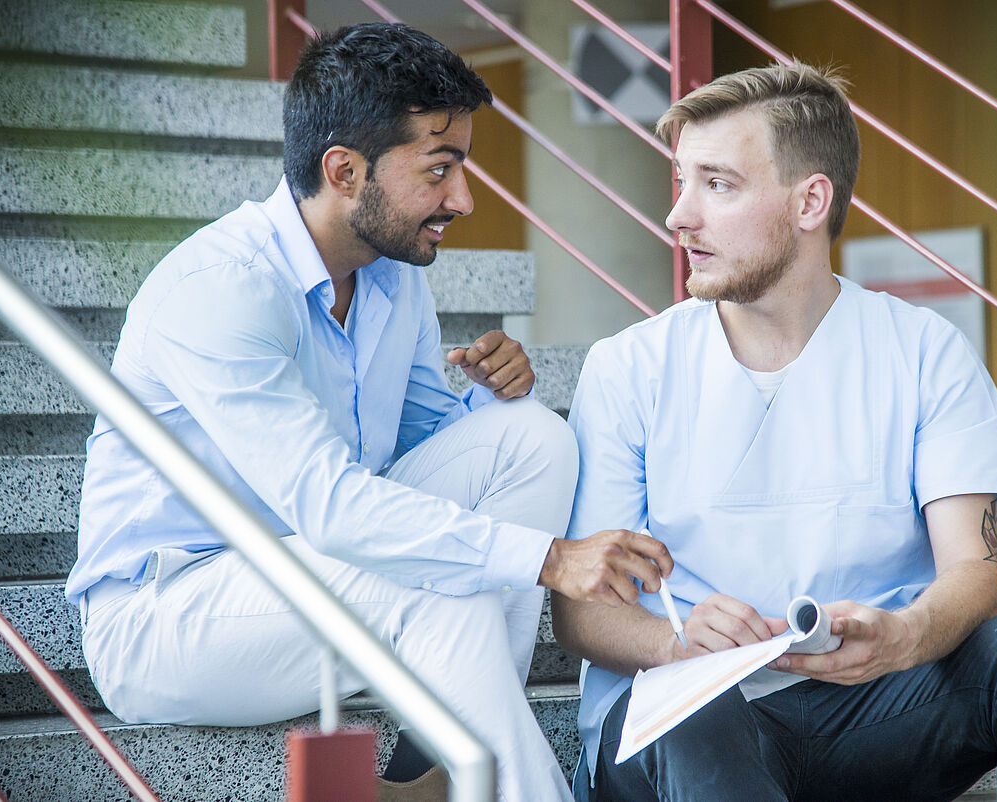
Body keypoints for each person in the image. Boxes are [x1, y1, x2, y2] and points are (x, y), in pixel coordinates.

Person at [65, 22, 670, 801]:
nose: (464, 198)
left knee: (533, 439)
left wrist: (489, 397)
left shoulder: (392, 276)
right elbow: (330, 507)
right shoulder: (221, 287)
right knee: (425, 586)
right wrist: (552, 559)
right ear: (344, 170)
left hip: (318, 574)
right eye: (439, 169)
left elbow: (422, 448)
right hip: (168, 616)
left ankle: (432, 761)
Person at [554, 62, 997, 801]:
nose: (679, 216)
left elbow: (975, 569)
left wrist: (907, 636)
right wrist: (674, 642)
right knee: (697, 703)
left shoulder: (924, 351)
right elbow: (580, 611)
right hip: (678, 723)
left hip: (874, 706)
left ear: (810, 201)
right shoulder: (627, 367)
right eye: (681, 182)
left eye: (717, 184)